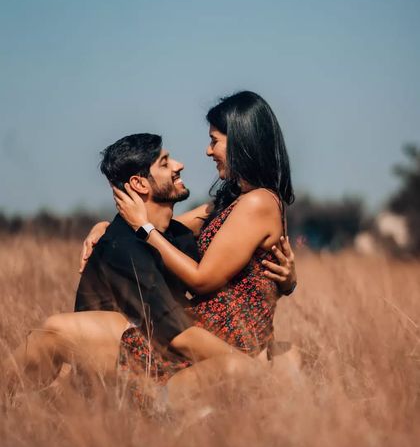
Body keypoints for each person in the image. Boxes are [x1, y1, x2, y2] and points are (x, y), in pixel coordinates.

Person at [4, 134, 258, 404]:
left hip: (152, 355)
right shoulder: (124, 248)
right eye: (164, 163)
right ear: (138, 184)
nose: (179, 165)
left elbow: (222, 250)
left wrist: (287, 281)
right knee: (53, 332)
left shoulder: (176, 235)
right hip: (113, 367)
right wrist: (252, 369)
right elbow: (178, 334)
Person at [112, 91, 295, 366]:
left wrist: (144, 229)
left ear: (241, 140)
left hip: (226, 340)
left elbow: (202, 279)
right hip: (209, 330)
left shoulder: (258, 203)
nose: (208, 151)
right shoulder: (233, 203)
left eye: (214, 141)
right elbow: (172, 228)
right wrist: (107, 227)